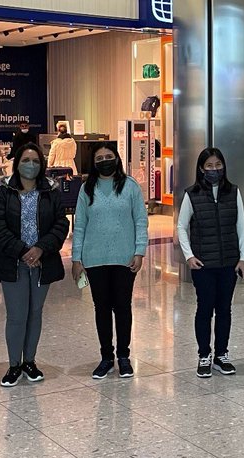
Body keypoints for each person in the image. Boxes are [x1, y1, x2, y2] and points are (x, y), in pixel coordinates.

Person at [0, 143, 70, 386]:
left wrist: (41, 248)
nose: (30, 165)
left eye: (35, 161)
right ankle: (14, 365)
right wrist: (24, 251)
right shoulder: (3, 191)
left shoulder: (50, 191)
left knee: (35, 313)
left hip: (42, 263)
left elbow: (60, 224)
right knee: (16, 315)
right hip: (14, 263)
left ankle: (30, 362)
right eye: (26, 160)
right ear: (17, 162)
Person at [72, 144, 148, 379]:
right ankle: (106, 357)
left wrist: (139, 251)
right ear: (93, 163)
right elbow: (80, 224)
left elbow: (140, 221)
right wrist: (76, 258)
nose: (105, 160)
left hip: (124, 258)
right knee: (102, 309)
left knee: (123, 307)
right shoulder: (87, 189)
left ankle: (124, 357)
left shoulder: (130, 186)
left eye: (109, 156)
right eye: (100, 158)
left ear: (117, 159)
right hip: (94, 259)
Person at [176, 148, 244, 378]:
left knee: (224, 309)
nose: (214, 169)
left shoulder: (233, 192)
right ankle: (204, 355)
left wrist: (243, 257)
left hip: (228, 262)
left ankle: (221, 355)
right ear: (201, 168)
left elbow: (241, 227)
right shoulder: (192, 194)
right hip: (203, 265)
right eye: (209, 166)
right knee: (205, 309)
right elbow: (181, 226)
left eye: (218, 165)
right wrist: (189, 256)